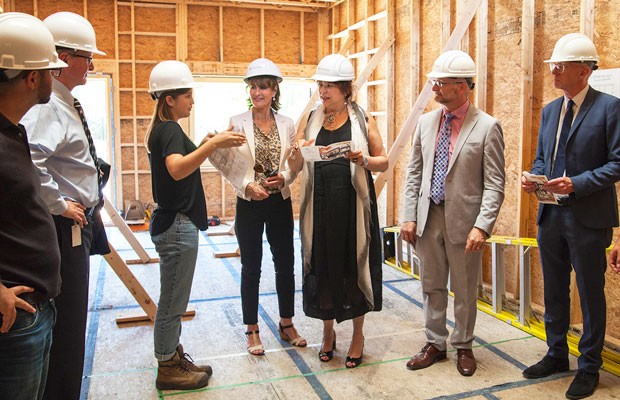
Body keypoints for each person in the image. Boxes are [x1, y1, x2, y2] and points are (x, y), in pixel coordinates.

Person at [521, 33, 620, 400]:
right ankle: (556, 354)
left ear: (584, 70)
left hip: (589, 219)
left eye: (560, 66)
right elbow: (543, 157)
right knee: (554, 289)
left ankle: (589, 366)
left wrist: (576, 183)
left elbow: (618, 163)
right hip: (551, 217)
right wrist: (534, 178)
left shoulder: (609, 108)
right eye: (552, 66)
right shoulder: (550, 110)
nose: (554, 71)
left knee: (590, 294)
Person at [19, 11, 110, 399]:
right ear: (63, 58)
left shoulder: (64, 101)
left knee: (74, 318)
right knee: (69, 322)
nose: (90, 65)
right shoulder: (47, 107)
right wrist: (59, 204)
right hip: (63, 227)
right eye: (86, 57)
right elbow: (32, 160)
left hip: (78, 223)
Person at [401, 50, 505, 377]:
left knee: (463, 288)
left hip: (465, 223)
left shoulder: (488, 127)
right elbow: (413, 173)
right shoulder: (426, 123)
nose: (434, 88)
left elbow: (495, 183)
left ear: (462, 87)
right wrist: (409, 215)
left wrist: (482, 226)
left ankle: (463, 345)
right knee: (431, 285)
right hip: (428, 216)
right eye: (434, 82)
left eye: (440, 83)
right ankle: (435, 343)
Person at [146, 60, 246, 390]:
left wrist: (204, 142)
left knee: (174, 299)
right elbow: (176, 169)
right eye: (187, 95)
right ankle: (167, 366)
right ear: (170, 99)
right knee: (173, 302)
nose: (192, 101)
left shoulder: (165, 130)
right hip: (176, 225)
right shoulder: (170, 130)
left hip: (174, 223)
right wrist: (211, 145)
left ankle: (173, 357)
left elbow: (180, 160)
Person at [296, 54, 388, 369]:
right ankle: (327, 333)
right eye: (321, 85)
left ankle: (358, 336)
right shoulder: (311, 118)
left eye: (330, 86)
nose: (323, 91)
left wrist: (364, 160)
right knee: (322, 268)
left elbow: (383, 161)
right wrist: (299, 150)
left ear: (346, 89)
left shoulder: (363, 119)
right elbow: (295, 163)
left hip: (352, 210)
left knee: (353, 268)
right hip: (319, 208)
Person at [211, 58, 306, 355]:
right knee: (251, 267)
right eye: (253, 87)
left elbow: (295, 164)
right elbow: (227, 164)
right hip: (249, 204)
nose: (257, 92)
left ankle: (286, 323)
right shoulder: (237, 121)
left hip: (279, 202)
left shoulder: (287, 124)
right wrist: (246, 186)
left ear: (275, 89)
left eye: (263, 87)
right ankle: (251, 329)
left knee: (285, 265)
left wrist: (285, 178)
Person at [0, 12, 66, 400]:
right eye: (48, 71)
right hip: (14, 319)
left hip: (37, 310)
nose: (51, 78)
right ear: (30, 78)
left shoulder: (14, 131)